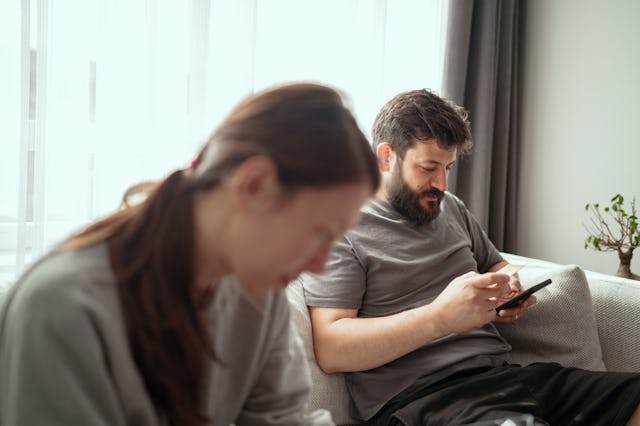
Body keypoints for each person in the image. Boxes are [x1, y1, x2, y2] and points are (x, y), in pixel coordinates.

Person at [0, 83, 380, 426]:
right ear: (255, 185)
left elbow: (282, 418)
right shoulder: (63, 307)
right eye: (320, 233)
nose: (319, 264)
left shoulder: (259, 295)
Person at [303, 89, 640, 426]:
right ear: (386, 156)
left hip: (504, 376)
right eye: (428, 167)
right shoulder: (341, 229)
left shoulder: (450, 207)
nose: (440, 183)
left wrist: (509, 288)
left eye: (448, 167)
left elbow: (499, 265)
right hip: (425, 399)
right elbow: (332, 348)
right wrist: (440, 317)